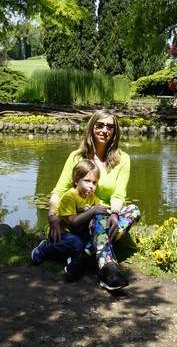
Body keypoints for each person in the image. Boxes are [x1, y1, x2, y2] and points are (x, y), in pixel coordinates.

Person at [46, 110, 141, 291]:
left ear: (115, 131)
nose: (105, 130)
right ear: (92, 127)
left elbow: (119, 195)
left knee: (134, 210)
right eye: (100, 125)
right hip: (82, 217)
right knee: (98, 216)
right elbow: (58, 191)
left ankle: (87, 253)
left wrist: (114, 213)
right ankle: (108, 269)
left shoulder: (123, 159)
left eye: (110, 126)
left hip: (106, 214)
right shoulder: (76, 157)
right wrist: (52, 216)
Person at [32, 160, 106, 265]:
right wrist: (92, 210)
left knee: (93, 240)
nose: (91, 186)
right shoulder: (69, 196)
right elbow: (74, 221)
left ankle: (72, 256)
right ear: (76, 181)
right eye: (87, 181)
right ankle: (45, 248)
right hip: (61, 233)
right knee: (76, 244)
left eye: (94, 183)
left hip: (77, 233)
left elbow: (100, 207)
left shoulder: (91, 197)